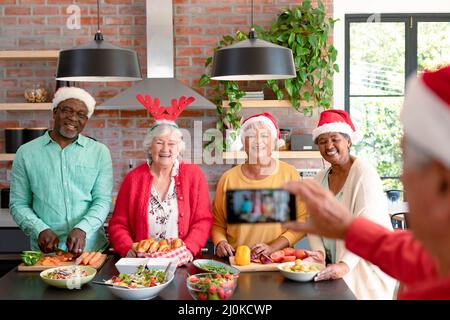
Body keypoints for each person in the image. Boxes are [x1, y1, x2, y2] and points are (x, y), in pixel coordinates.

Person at [283, 65, 450, 299]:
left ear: (441, 180)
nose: (401, 177)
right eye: (322, 141)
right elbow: (400, 250)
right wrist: (343, 231)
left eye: (407, 162)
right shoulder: (436, 255)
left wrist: (344, 257)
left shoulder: (364, 171)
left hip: (360, 278)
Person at [300, 109, 396, 299]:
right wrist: (319, 254)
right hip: (333, 268)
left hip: (365, 268)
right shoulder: (319, 179)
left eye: (335, 139)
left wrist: (345, 265)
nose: (329, 146)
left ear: (348, 141)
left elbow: (367, 227)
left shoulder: (364, 173)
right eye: (322, 141)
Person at [10, 87, 113, 254]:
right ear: (55, 112)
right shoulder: (26, 153)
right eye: (67, 111)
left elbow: (102, 200)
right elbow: (18, 203)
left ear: (86, 120)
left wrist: (83, 228)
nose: (73, 118)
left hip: (91, 252)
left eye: (81, 115)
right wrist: (39, 229)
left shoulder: (99, 152)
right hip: (47, 253)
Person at [108, 95, 213, 258]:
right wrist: (127, 248)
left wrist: (190, 249)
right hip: (142, 264)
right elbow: (118, 224)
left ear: (179, 148)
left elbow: (203, 220)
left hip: (181, 260)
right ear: (150, 147)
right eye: (159, 142)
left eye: (171, 144)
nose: (165, 149)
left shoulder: (194, 176)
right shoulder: (133, 179)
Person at [211, 113, 307, 258]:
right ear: (244, 144)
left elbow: (302, 221)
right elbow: (218, 223)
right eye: (251, 136)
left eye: (264, 136)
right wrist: (220, 242)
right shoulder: (228, 179)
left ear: (274, 143)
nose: (257, 141)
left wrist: (272, 247)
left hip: (278, 262)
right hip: (237, 262)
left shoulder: (290, 175)